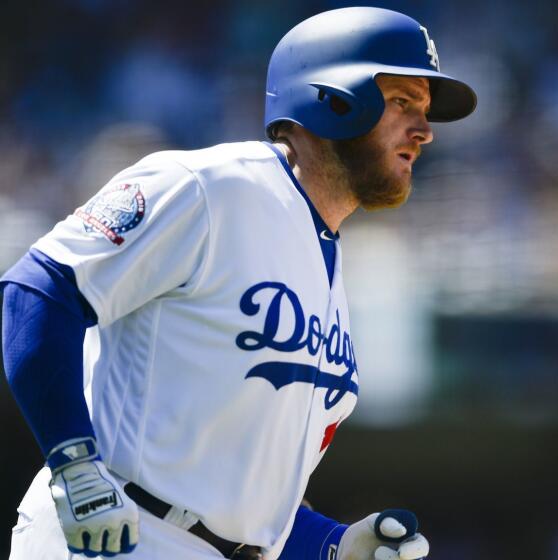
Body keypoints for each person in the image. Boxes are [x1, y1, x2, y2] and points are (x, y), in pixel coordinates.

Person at [1, 7, 476, 560]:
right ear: (334, 98)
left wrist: (334, 545)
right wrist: (72, 460)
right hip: (117, 537)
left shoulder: (329, 269)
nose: (424, 132)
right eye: (403, 103)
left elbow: (236, 505)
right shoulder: (211, 187)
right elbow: (37, 290)